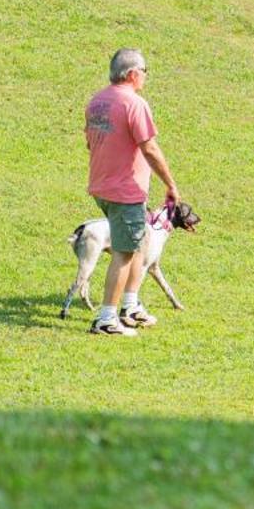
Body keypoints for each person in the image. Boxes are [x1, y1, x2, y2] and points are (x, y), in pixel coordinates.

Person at [83, 47, 183, 337]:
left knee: (138, 243)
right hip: (124, 190)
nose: (146, 76)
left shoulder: (97, 101)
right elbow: (149, 147)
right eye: (144, 71)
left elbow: (91, 142)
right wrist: (170, 184)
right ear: (131, 74)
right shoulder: (134, 103)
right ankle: (106, 319)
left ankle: (130, 305)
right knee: (124, 252)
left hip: (101, 185)